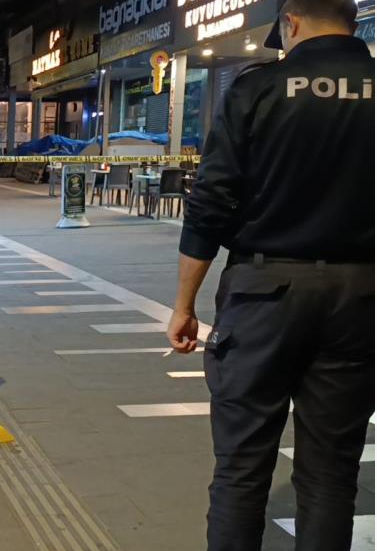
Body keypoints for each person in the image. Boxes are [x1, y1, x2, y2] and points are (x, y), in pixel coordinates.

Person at [165, 1, 374, 549]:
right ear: (353, 23)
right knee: (332, 474)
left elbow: (211, 201)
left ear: (291, 23)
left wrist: (184, 305)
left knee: (241, 467)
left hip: (263, 294)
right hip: (361, 295)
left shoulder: (258, 88)